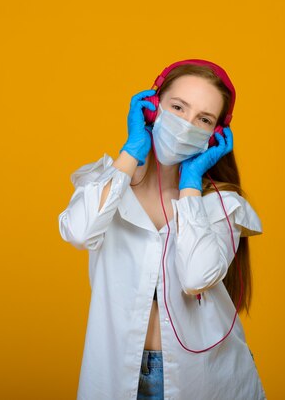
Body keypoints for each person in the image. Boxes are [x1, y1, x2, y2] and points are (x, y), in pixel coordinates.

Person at [58, 59, 266, 400]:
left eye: (203, 119)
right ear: (153, 108)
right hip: (116, 373)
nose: (187, 125)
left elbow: (197, 276)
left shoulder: (220, 203)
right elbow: (79, 232)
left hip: (204, 378)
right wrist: (131, 152)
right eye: (178, 107)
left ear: (215, 136)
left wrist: (190, 186)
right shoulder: (109, 186)